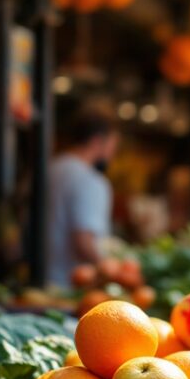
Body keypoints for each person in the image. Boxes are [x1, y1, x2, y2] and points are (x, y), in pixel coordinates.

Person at [45, 107, 118, 288]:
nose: (113, 153)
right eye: (113, 145)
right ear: (97, 141)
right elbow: (84, 242)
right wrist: (113, 273)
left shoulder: (49, 168)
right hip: (68, 284)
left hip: (37, 277)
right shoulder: (91, 181)